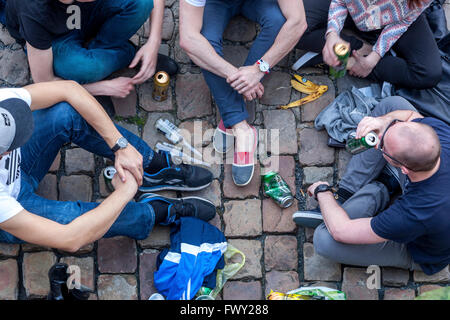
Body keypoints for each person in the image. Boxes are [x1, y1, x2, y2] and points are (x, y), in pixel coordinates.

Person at [0, 80, 215, 251]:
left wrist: (120, 145)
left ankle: (148, 165)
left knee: (65, 112)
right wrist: (126, 192)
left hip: (20, 170)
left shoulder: (4, 105)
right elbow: (70, 238)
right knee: (75, 221)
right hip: (12, 208)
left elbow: (69, 89)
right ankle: (153, 212)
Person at [293, 96, 450, 275]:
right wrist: (383, 121)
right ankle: (347, 193)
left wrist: (322, 191)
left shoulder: (414, 212)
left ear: (404, 169)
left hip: (419, 251)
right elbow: (409, 115)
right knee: (393, 105)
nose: (377, 140)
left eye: (381, 145)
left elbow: (341, 231)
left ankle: (382, 187)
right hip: (426, 189)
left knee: (325, 240)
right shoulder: (440, 134)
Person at [179, 0, 307, 186]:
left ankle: (231, 112)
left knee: (278, 22)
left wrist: (259, 69)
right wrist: (235, 75)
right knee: (204, 43)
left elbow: (298, 22)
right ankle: (241, 127)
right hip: (216, 5)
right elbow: (189, 39)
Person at [1, 0, 178, 99]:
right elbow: (44, 81)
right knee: (80, 68)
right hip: (56, 39)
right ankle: (126, 55)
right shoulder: (32, 9)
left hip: (82, 15)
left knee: (142, 3)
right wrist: (101, 87)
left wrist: (154, 40)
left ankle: (102, 52)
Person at [296, 0, 442, 89]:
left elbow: (404, 21)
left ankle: (347, 60)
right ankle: (352, 49)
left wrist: (374, 57)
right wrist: (332, 34)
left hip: (389, 20)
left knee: (429, 73)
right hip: (348, 7)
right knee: (290, 27)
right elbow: (340, 1)